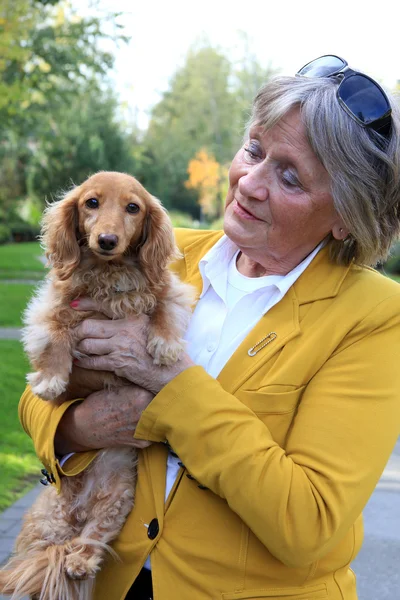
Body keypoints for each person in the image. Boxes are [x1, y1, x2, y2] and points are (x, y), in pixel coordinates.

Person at [19, 55, 400, 600]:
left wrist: (170, 385)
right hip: (109, 579)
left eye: (289, 176)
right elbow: (37, 395)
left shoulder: (374, 316)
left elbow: (308, 522)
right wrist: (78, 428)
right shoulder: (160, 260)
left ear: (346, 215)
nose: (250, 182)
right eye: (253, 149)